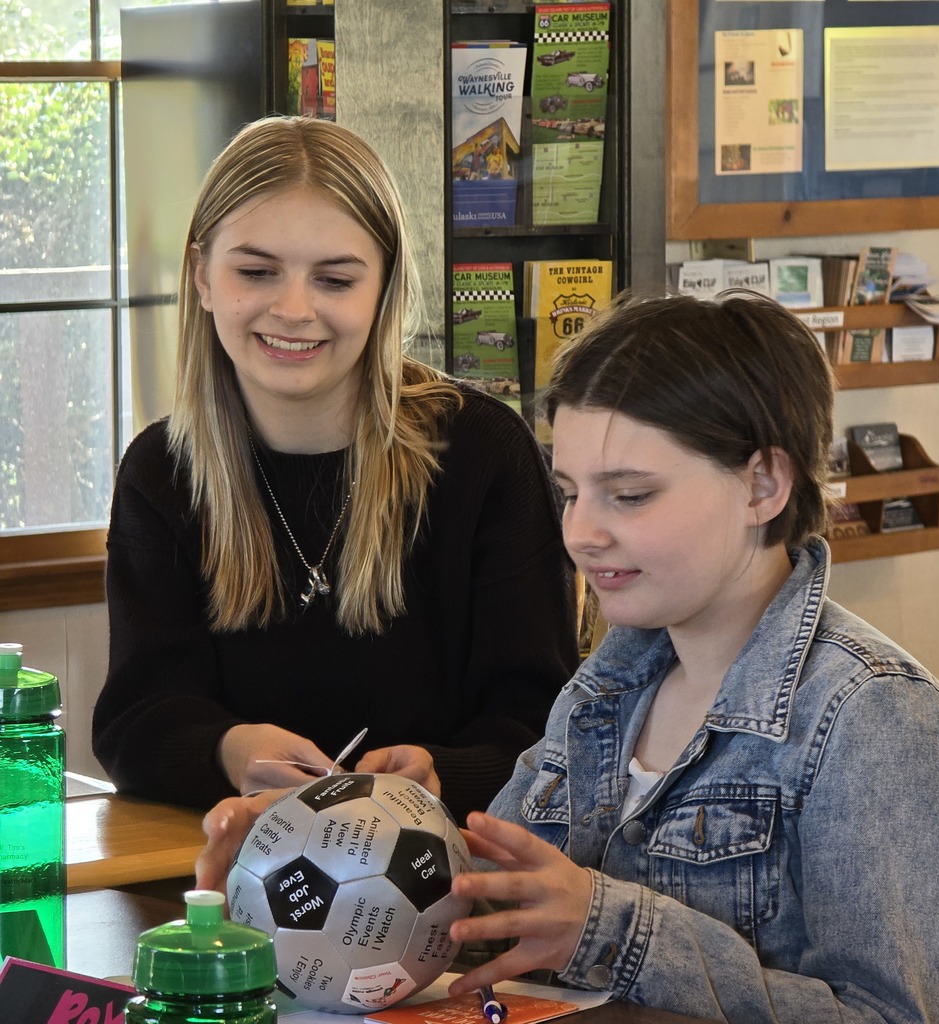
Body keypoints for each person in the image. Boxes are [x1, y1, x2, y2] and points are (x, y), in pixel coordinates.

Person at [195, 292, 939, 1022]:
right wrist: (314, 866)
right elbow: (481, 919)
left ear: (764, 485)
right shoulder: (606, 689)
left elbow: (890, 1016)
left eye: (630, 495)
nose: (581, 533)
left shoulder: (879, 716)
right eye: (571, 492)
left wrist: (609, 928)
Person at [92, 116, 578, 825]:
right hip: (226, 883)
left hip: (448, 877)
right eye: (255, 272)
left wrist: (440, 775)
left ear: (383, 286)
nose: (294, 310)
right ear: (201, 276)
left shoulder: (482, 454)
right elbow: (135, 720)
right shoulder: (161, 471)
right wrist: (227, 750)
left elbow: (544, 726)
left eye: (336, 279)